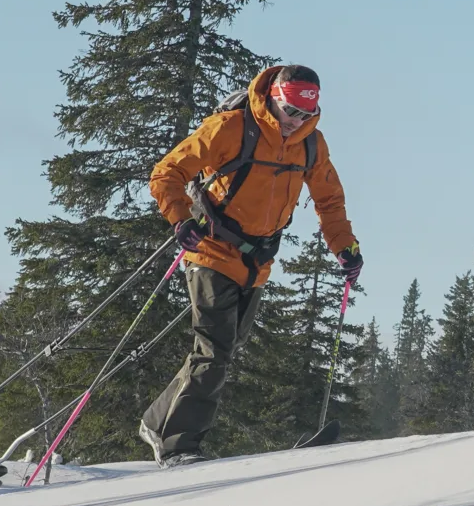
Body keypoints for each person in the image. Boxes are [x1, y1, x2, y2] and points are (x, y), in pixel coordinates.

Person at [138, 64, 363, 468]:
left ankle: (158, 422)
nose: (296, 122)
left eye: (305, 115)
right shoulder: (231, 128)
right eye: (290, 111)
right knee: (215, 349)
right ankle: (179, 446)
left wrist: (344, 246)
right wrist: (179, 218)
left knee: (223, 348)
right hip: (210, 250)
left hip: (257, 261)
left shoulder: (312, 145)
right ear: (274, 99)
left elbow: (330, 200)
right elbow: (167, 171)